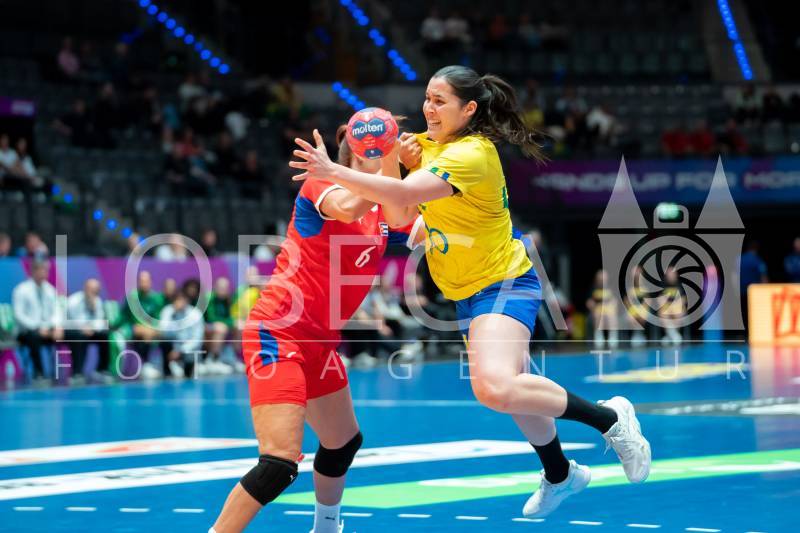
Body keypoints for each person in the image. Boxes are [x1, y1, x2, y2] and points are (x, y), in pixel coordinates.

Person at [289, 65, 651, 518]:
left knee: (495, 386)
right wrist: (390, 155)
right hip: (466, 291)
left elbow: (401, 193)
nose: (429, 108)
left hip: (503, 281)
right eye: (427, 98)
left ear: (469, 109)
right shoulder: (422, 146)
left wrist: (335, 170)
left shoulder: (473, 153)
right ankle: (560, 474)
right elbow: (398, 216)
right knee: (515, 388)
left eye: (440, 101)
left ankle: (611, 419)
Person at [210, 125, 419, 533]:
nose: (386, 154)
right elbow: (348, 209)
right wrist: (389, 166)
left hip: (320, 342)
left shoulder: (381, 206)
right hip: (279, 330)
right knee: (278, 464)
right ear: (357, 154)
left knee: (343, 442)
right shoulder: (321, 183)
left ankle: (326, 528)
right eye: (380, 148)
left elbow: (412, 220)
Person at [12, 260, 62, 381]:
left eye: (45, 271)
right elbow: (19, 315)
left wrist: (56, 326)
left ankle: (77, 372)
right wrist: (37, 328)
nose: (43, 274)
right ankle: (39, 372)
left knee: (74, 334)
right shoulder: (21, 290)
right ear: (33, 271)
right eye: (40, 270)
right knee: (34, 337)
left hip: (48, 329)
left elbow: (57, 311)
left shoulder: (50, 290)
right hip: (26, 331)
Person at [65, 278, 111, 384]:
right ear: (85, 288)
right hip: (74, 330)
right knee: (79, 336)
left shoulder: (97, 301)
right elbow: (72, 320)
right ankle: (77, 372)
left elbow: (100, 321)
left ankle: (101, 369)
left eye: (96, 291)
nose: (94, 293)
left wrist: (92, 327)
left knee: (105, 335)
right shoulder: (73, 300)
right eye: (92, 290)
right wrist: (84, 327)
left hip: (90, 330)